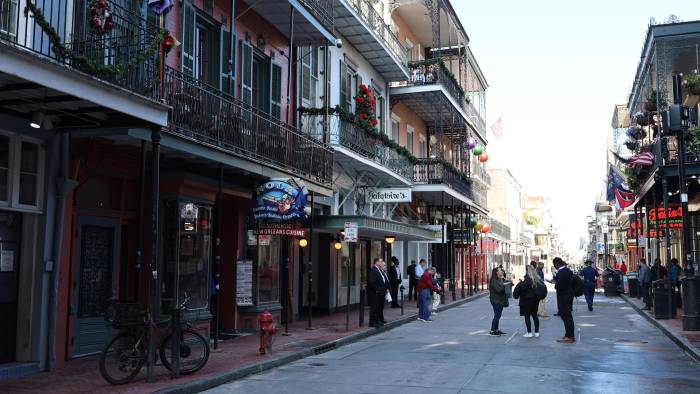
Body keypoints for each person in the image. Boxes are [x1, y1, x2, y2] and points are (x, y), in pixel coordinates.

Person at [514, 265, 544, 338]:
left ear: (527, 271)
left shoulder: (527, 279)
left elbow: (523, 288)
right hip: (535, 300)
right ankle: (536, 332)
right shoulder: (537, 279)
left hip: (527, 300)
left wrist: (520, 283)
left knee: (527, 316)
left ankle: (529, 332)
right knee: (534, 316)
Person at [553, 257, 575, 343]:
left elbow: (559, 286)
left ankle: (569, 336)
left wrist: (555, 284)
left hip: (564, 297)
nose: (555, 266)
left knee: (565, 317)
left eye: (555, 264)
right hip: (569, 295)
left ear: (557, 263)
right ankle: (569, 335)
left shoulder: (561, 272)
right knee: (568, 316)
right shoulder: (568, 270)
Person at [367, 257, 389, 328]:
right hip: (375, 293)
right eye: (380, 261)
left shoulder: (379, 270)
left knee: (378, 307)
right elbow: (372, 282)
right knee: (374, 308)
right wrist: (378, 290)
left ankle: (377, 321)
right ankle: (372, 322)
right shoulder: (373, 270)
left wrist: (384, 289)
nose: (382, 263)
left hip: (381, 293)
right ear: (376, 262)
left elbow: (383, 280)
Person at [488, 267, 507, 336]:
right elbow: (498, 290)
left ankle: (496, 329)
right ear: (496, 272)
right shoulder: (493, 280)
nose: (501, 271)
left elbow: (503, 284)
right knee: (497, 315)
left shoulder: (500, 279)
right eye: (500, 270)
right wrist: (504, 285)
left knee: (498, 315)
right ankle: (492, 330)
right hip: (495, 300)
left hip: (500, 300)